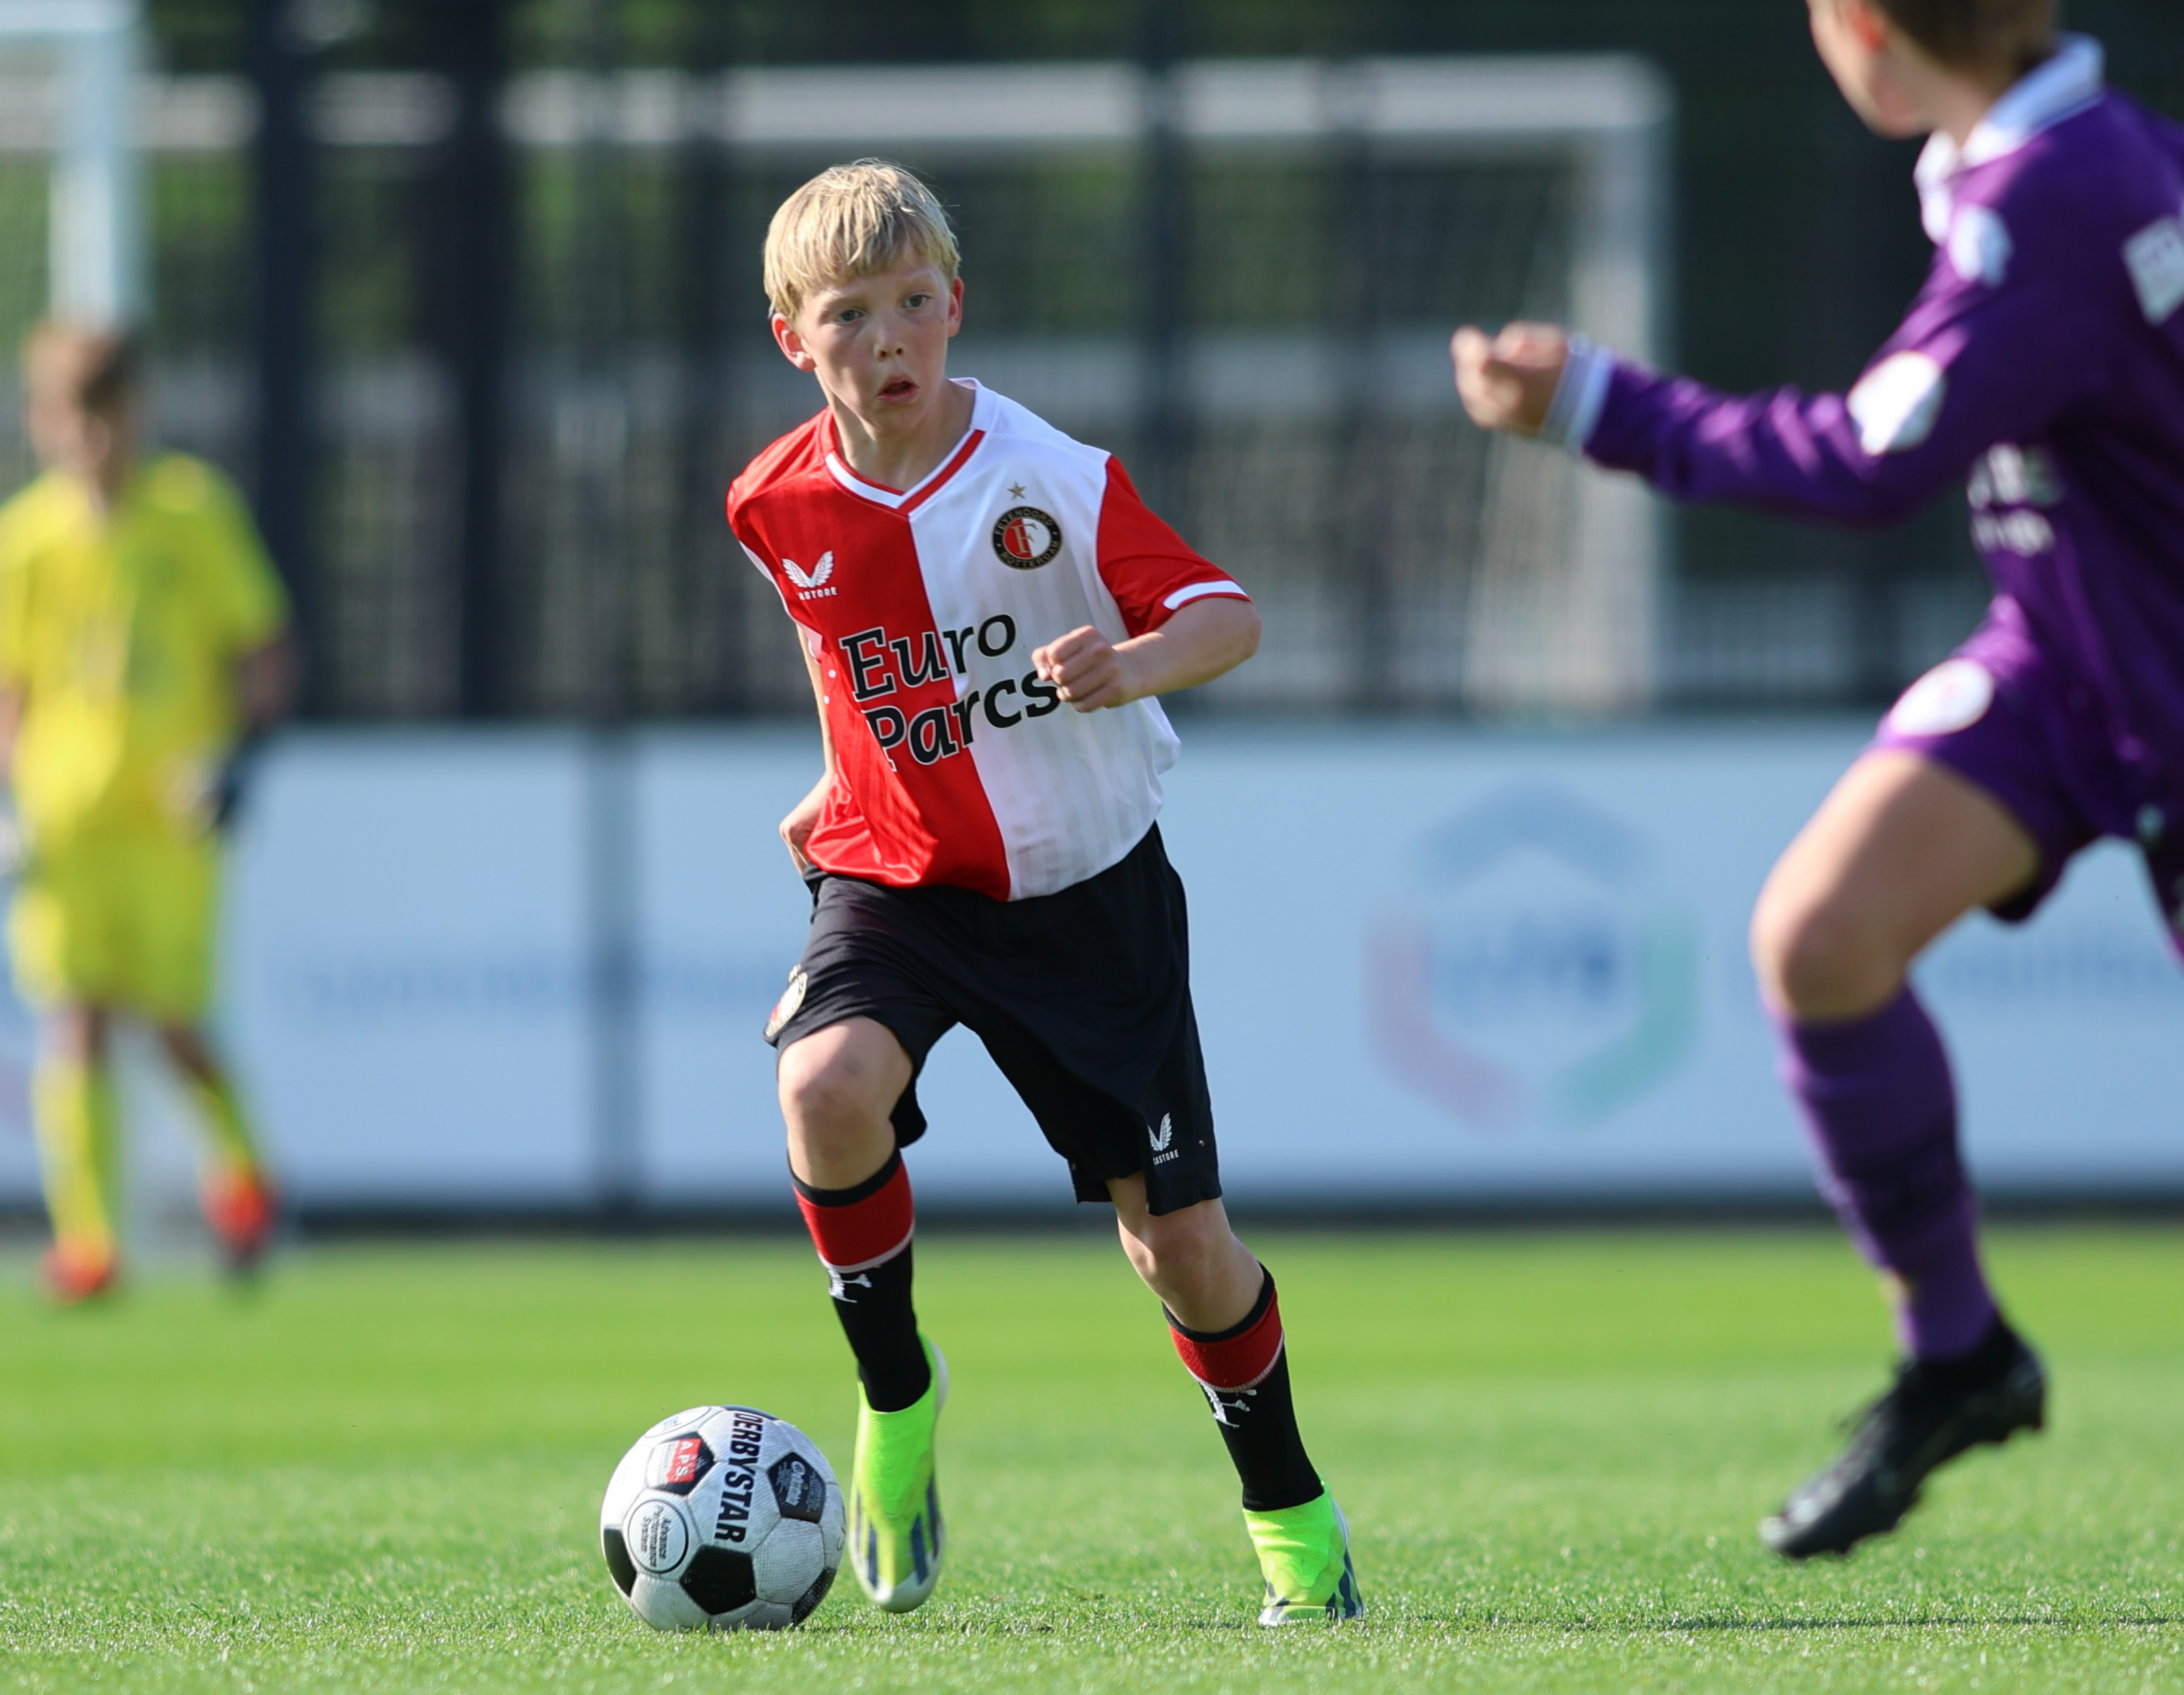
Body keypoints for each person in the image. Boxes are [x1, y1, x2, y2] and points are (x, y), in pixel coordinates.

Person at [1454, 1, 2184, 1557]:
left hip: (2161, 668)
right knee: (1822, 934)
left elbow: (1866, 458)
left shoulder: (2052, 197)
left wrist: (1602, 404)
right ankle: (1959, 1355)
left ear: (1862, 32)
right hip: (2071, 653)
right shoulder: (2047, 158)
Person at [728, 160, 1364, 1625]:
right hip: (899, 885)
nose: (887, 338)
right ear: (793, 337)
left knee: (1182, 1251)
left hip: (1087, 901)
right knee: (823, 1087)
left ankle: (1296, 1521)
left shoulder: (1048, 476)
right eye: (849, 314)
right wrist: (839, 786)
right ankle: (899, 1396)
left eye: (910, 303)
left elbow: (1230, 615)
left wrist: (1131, 661)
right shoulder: (771, 504)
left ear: (955, 305)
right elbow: (862, 666)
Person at [0, 322, 293, 1304]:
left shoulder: (194, 515)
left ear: (135, 415)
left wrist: (239, 765)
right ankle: (89, 1244)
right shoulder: (18, 540)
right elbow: (4, 687)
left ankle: (242, 1180)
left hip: (167, 819)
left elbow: (265, 654)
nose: (91, 443)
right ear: (41, 423)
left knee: (174, 1025)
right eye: (72, 420)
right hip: (64, 823)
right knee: (73, 1021)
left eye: (106, 419)